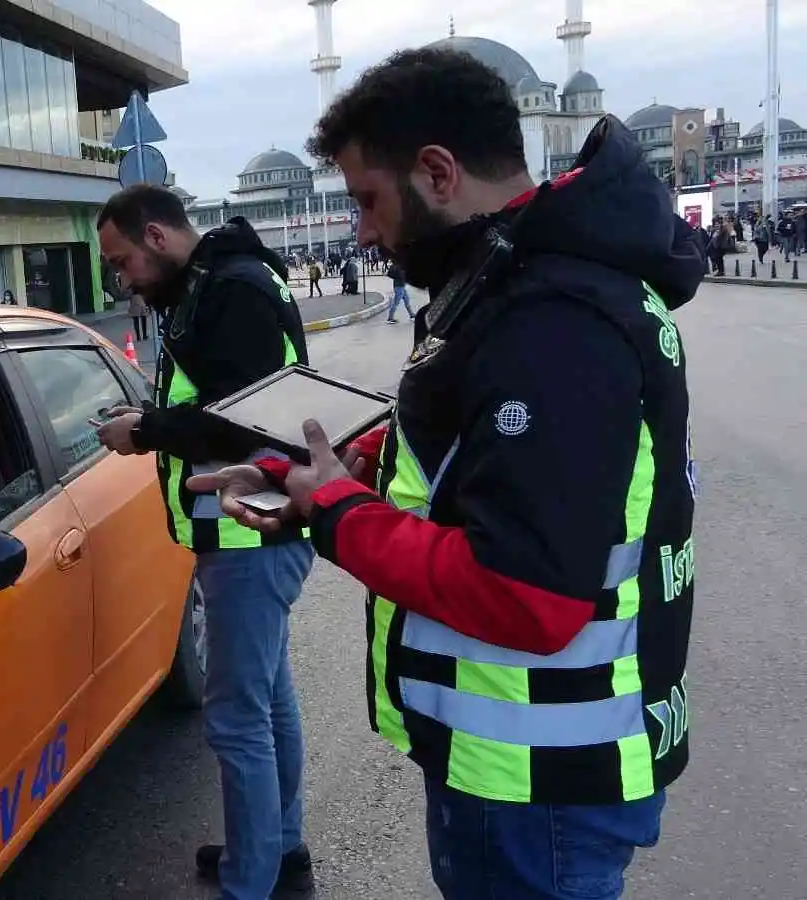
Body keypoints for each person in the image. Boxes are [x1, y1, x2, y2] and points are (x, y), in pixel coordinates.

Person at [188, 48, 701, 900]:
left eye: (366, 200)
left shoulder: (550, 323)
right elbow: (474, 461)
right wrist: (327, 475)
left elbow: (525, 594)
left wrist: (339, 513)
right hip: (522, 771)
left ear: (436, 172)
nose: (359, 230)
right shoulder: (524, 284)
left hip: (534, 784)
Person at [92, 184, 316, 900]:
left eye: (123, 261)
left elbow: (245, 421)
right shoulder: (215, 285)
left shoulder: (233, 290)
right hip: (251, 527)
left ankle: (253, 881)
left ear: (157, 236)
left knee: (236, 717)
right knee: (267, 700)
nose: (121, 278)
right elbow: (219, 399)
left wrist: (145, 431)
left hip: (252, 533)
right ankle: (277, 846)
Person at [385, 257, 413, 322]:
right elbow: (400, 275)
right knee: (396, 303)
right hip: (399, 287)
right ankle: (390, 318)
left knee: (407, 300)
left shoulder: (396, 265)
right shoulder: (398, 266)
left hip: (400, 286)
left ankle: (412, 315)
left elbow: (389, 274)